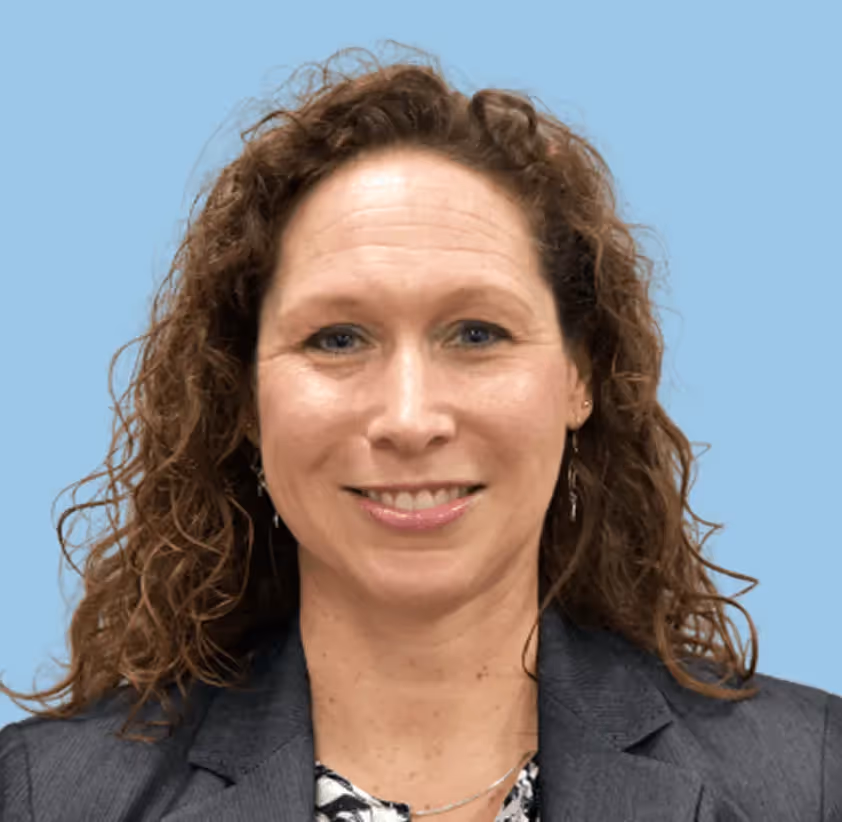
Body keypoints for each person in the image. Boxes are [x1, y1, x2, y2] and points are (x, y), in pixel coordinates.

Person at [1, 44, 839, 822]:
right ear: (245, 398)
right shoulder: (44, 799)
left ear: (580, 377)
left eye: (477, 333)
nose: (409, 419)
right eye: (337, 338)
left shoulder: (810, 780)